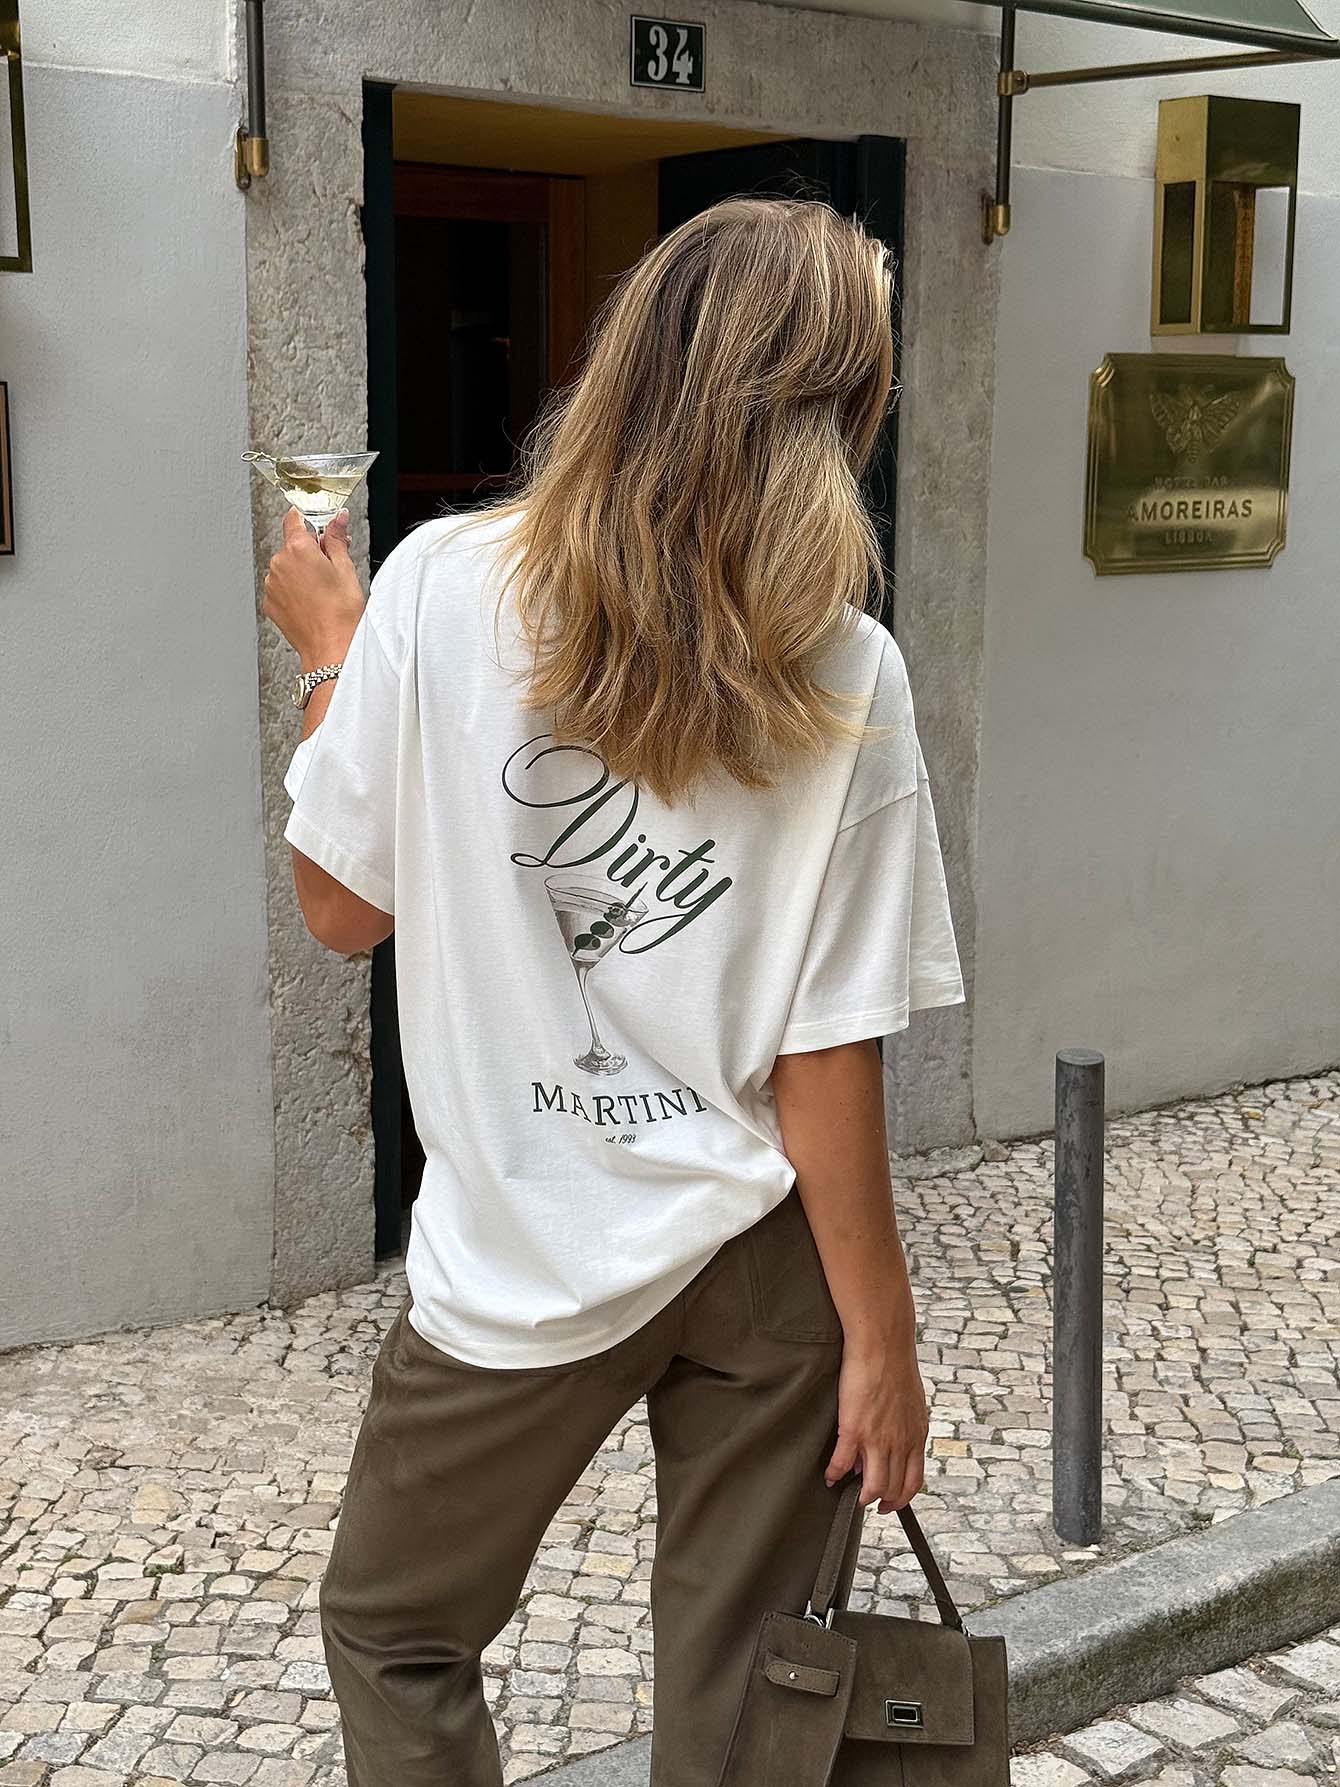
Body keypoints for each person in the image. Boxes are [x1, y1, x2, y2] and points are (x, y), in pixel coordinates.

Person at [262, 196, 965, 1787]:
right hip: (762, 1258)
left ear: (630, 356)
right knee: (745, 1697)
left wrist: (331, 650)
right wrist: (884, 1341)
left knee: (394, 1631)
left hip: (525, 1239)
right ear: (836, 416)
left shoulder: (442, 589)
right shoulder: (849, 660)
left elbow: (339, 908)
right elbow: (825, 1055)